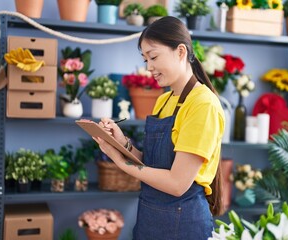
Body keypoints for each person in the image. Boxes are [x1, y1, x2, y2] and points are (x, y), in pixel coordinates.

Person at [93, 16, 225, 240]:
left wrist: (120, 161)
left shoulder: (203, 104)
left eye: (153, 56)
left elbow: (176, 184)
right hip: (149, 220)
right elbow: (153, 165)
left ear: (181, 52)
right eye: (145, 59)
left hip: (184, 225)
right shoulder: (164, 100)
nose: (149, 67)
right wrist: (122, 142)